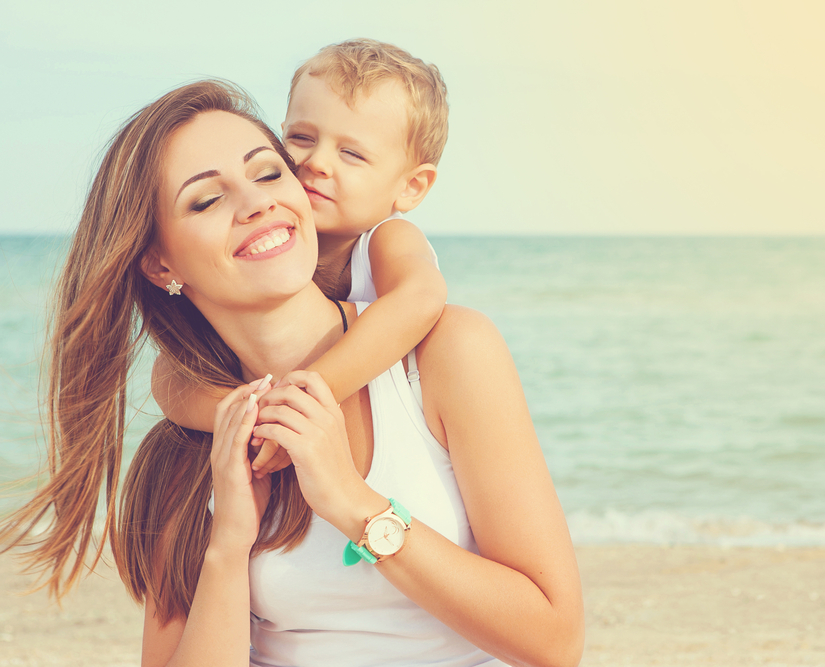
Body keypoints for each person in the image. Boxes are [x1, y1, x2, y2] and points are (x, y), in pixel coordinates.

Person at [0, 80, 584, 667]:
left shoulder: (444, 355)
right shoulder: (181, 453)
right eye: (205, 200)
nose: (255, 204)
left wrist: (353, 503)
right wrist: (229, 544)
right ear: (160, 263)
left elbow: (555, 642)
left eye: (268, 173)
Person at [152, 40, 450, 480]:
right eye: (301, 138)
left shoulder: (386, 239)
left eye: (352, 153)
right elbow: (167, 379)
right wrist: (257, 419)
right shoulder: (268, 245)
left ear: (410, 187)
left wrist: (309, 394)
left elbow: (421, 299)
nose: (317, 163)